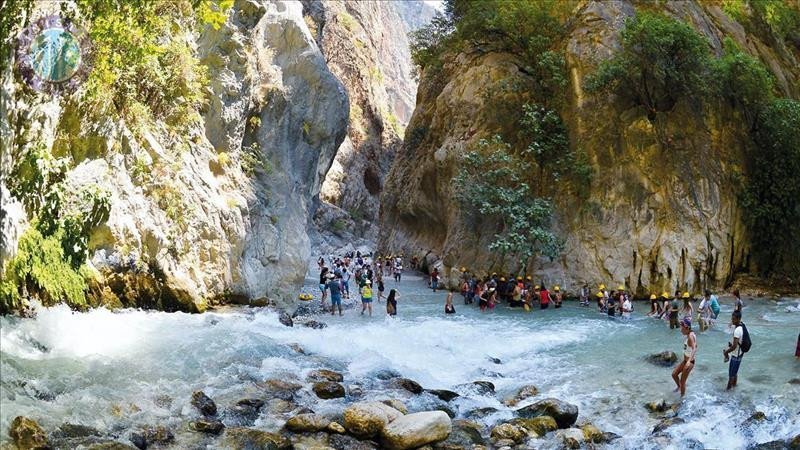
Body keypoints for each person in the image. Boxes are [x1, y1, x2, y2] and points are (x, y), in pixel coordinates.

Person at [672, 317, 697, 397]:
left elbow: (694, 348)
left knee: (683, 382)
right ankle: (679, 388)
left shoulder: (690, 336)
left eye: (682, 328)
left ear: (687, 328)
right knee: (674, 374)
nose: (680, 330)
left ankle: (682, 398)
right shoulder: (691, 334)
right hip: (685, 361)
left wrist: (689, 361)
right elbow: (696, 345)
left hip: (689, 362)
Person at [723, 310, 745, 390]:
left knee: (731, 375)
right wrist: (731, 346)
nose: (732, 321)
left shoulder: (737, 331)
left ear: (738, 319)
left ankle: (727, 392)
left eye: (734, 319)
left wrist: (726, 352)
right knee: (735, 373)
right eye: (732, 319)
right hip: (740, 353)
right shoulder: (742, 326)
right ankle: (734, 388)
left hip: (736, 355)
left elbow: (735, 346)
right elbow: (738, 343)